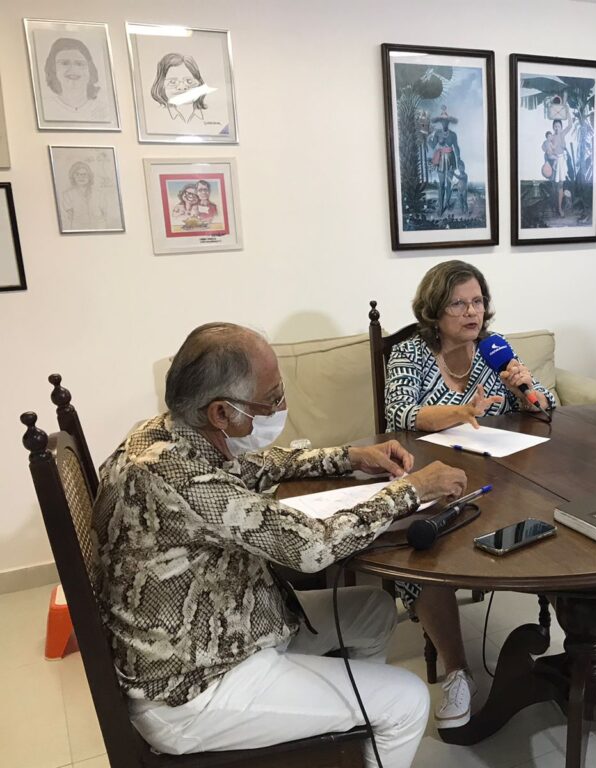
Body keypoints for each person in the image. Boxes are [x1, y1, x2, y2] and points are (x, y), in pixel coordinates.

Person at [92, 322, 467, 768]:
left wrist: (349, 456)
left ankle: (345, 745)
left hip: (222, 626)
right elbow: (310, 549)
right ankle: (365, 727)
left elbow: (257, 465)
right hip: (193, 686)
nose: (282, 407)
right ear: (220, 413)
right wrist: (412, 491)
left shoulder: (165, 434)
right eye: (272, 399)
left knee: (374, 610)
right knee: (406, 703)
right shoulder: (173, 476)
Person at [383, 260, 557, 729]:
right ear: (435, 310)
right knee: (425, 555)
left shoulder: (494, 352)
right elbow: (400, 414)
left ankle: (587, 630)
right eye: (458, 303)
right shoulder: (409, 352)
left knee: (556, 519)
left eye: (477, 301)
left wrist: (522, 388)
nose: (471, 312)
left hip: (498, 473)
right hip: (431, 477)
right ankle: (459, 671)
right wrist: (461, 411)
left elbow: (546, 406)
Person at [41, 37, 108, 122]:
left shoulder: (105, 110)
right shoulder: (46, 107)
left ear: (90, 69)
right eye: (64, 63)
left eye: (79, 64)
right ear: (53, 68)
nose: (73, 69)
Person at [151, 52, 208, 123]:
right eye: (172, 82)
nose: (181, 87)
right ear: (161, 85)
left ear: (199, 84)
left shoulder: (211, 115)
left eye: (189, 81)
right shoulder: (155, 118)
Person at [427, 107, 461, 216]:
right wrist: (428, 139)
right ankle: (441, 207)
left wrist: (458, 158)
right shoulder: (437, 133)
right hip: (440, 159)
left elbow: (456, 147)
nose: (444, 123)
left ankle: (447, 203)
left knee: (449, 184)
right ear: (440, 122)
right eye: (442, 121)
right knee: (441, 184)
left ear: (448, 122)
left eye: (446, 121)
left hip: (451, 159)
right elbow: (433, 146)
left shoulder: (453, 134)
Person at [60, 160, 110, 230]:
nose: (81, 177)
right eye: (77, 174)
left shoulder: (99, 194)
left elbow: (104, 214)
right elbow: (69, 218)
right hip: (78, 229)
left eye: (84, 174)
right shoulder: (68, 195)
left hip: (99, 228)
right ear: (73, 176)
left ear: (89, 176)